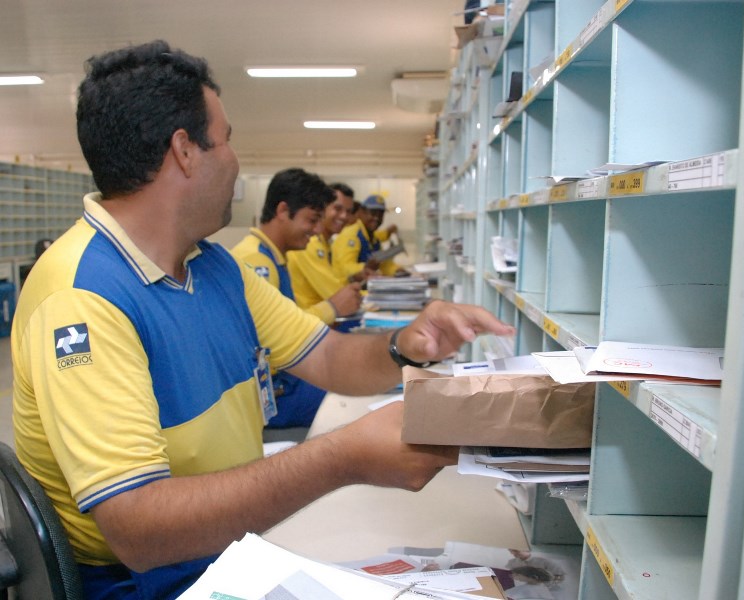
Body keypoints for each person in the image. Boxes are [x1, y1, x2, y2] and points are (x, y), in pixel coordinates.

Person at [10, 40, 514, 599]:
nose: (234, 162)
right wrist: (342, 458)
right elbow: (139, 530)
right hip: (149, 582)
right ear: (185, 150)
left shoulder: (212, 265)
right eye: (226, 141)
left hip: (225, 548)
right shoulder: (82, 298)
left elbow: (328, 355)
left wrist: (407, 343)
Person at [230, 168, 361, 428]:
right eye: (311, 220)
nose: (316, 230)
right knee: (352, 401)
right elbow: (273, 336)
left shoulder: (274, 256)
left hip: (285, 381)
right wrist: (332, 308)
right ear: (282, 211)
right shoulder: (257, 262)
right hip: (275, 394)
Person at [286, 182, 367, 315]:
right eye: (337, 209)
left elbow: (335, 279)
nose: (344, 216)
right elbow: (335, 294)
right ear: (323, 208)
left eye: (348, 211)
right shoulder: (310, 244)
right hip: (311, 322)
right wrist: (376, 293)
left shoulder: (325, 243)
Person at [332, 193, 405, 279]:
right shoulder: (352, 235)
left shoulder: (374, 238)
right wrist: (366, 267)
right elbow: (345, 267)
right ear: (361, 213)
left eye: (380, 215)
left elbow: (384, 264)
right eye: (373, 213)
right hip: (344, 288)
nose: (376, 218)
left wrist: (397, 270)